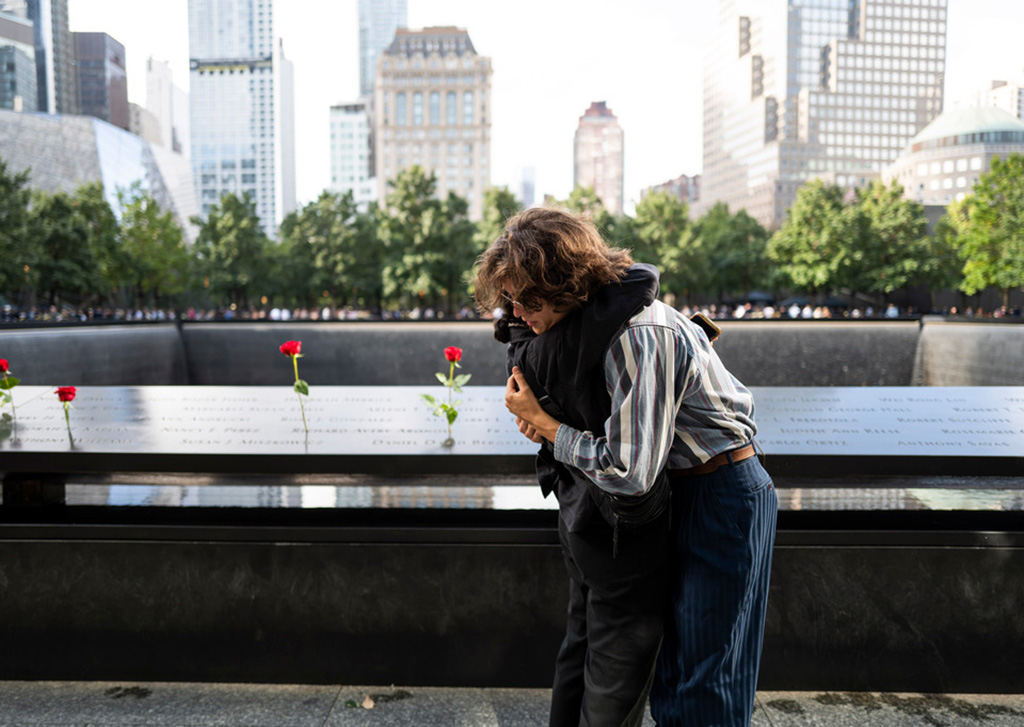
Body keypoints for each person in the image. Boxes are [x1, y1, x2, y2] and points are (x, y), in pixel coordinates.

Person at [475, 207, 777, 727]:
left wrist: (547, 426)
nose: (518, 313)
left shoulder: (640, 335)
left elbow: (629, 471)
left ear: (564, 281)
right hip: (687, 490)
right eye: (510, 300)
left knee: (704, 682)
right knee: (679, 674)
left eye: (527, 298)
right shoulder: (601, 327)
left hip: (720, 494)